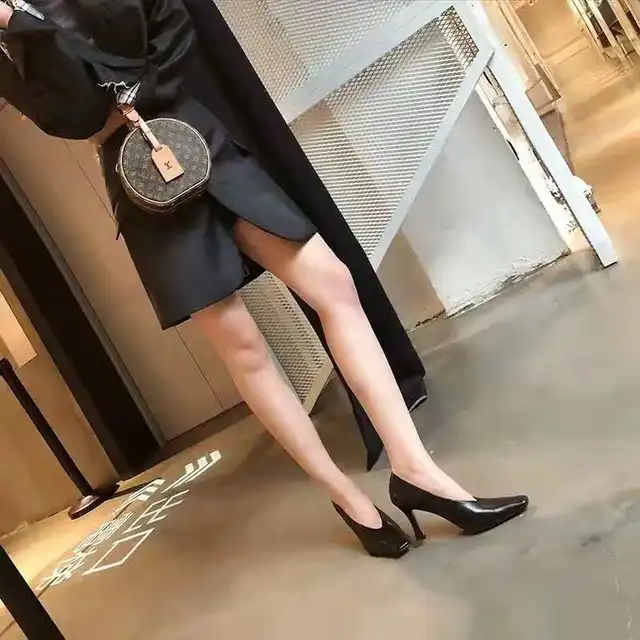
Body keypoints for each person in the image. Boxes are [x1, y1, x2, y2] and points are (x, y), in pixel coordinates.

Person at [0, 0, 528, 558]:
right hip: (140, 180)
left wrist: (119, 90)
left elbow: (173, 35)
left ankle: (416, 471)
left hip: (198, 136)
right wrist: (21, 27)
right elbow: (75, 117)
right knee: (243, 346)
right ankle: (346, 498)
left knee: (333, 284)